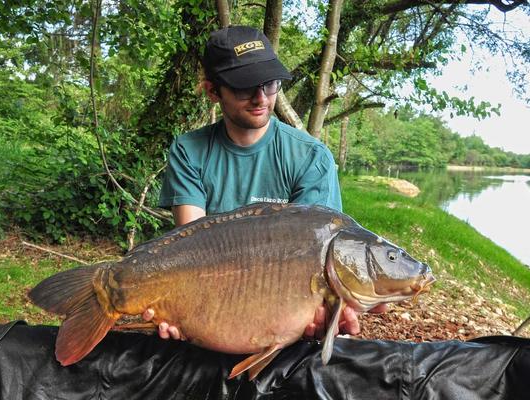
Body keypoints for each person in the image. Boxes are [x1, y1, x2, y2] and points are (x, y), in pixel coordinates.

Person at [143, 25, 385, 341]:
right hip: (212, 294)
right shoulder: (189, 151)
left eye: (269, 84)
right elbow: (193, 249)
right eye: (244, 87)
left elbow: (315, 259)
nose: (261, 98)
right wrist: (179, 307)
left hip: (281, 305)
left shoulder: (311, 157)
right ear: (213, 91)